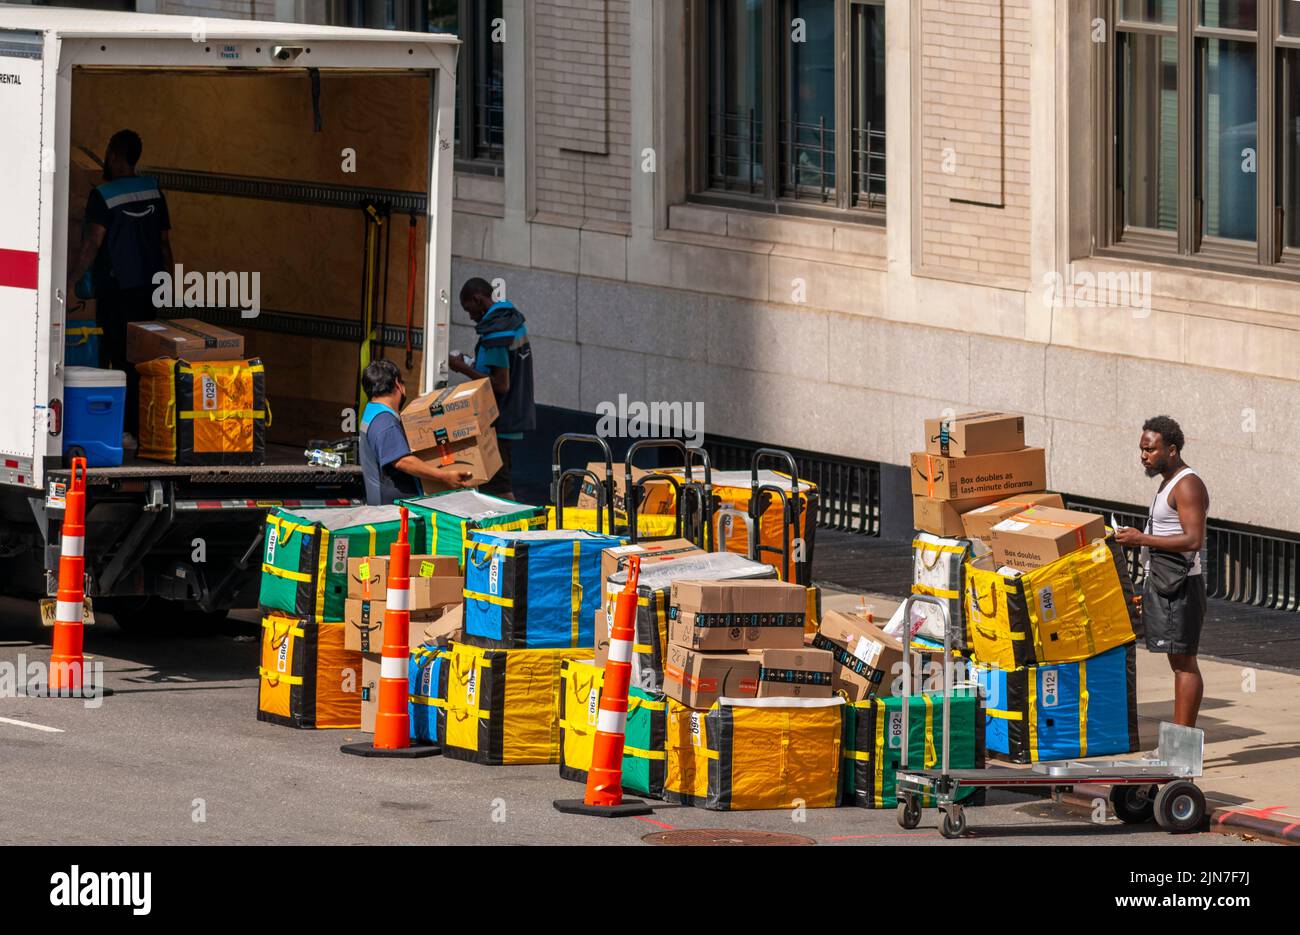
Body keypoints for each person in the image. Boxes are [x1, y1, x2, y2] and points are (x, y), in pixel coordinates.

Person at [68, 129, 174, 441]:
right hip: (148, 289)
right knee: (141, 358)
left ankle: (116, 428)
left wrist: (72, 281)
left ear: (115, 154)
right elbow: (165, 244)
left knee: (113, 357)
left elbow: (92, 243)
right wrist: (168, 280)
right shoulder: (154, 191)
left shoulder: (104, 195)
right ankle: (141, 428)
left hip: (115, 290)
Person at [1113, 416, 1210, 729]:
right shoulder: (1168, 482)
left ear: (1171, 449)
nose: (1144, 455)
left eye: (1150, 449)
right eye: (1142, 449)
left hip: (1182, 589)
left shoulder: (1188, 484)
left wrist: (1140, 538)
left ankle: (1180, 748)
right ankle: (1178, 747)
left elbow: (1194, 540)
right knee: (1177, 662)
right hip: (1165, 584)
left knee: (1184, 665)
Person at [449, 278, 535, 500]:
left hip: (499, 420)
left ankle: (509, 530)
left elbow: (500, 384)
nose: (470, 316)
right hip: (511, 415)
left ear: (477, 299)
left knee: (498, 487)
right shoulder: (513, 323)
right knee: (498, 482)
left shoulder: (497, 333)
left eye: (469, 309)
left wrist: (460, 367)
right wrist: (472, 364)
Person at [359, 359, 472, 506]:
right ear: (398, 384)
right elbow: (402, 461)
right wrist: (444, 476)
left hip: (385, 506)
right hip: (393, 513)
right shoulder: (385, 421)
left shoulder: (372, 411)